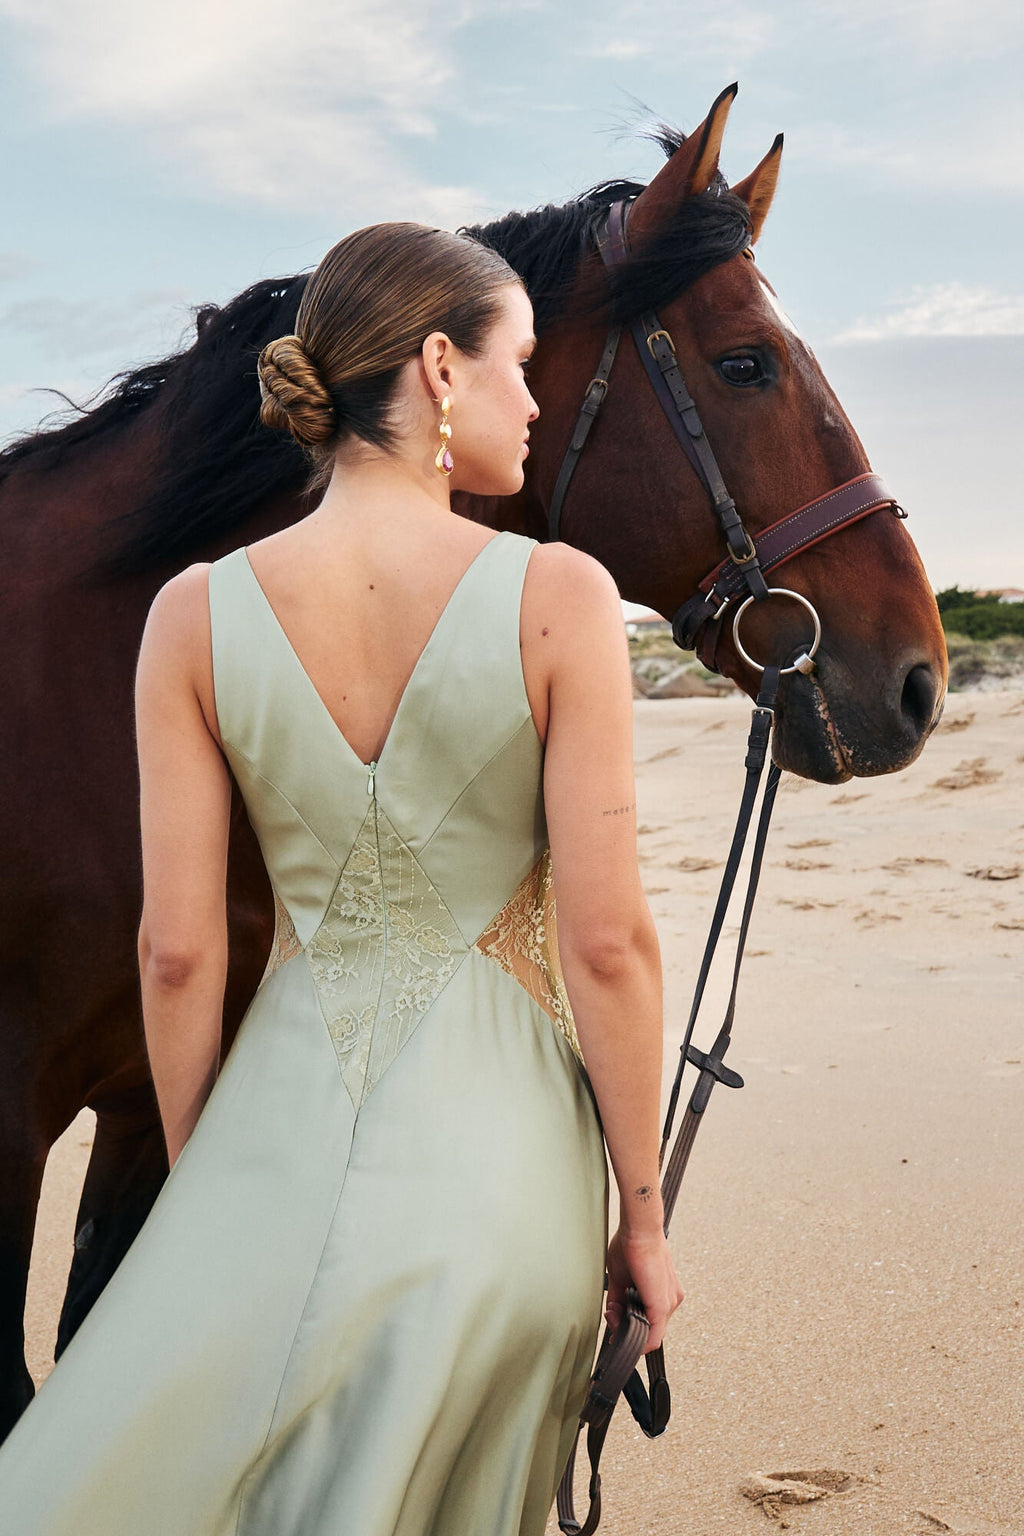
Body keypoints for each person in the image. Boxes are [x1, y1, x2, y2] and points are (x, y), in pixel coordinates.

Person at [0, 221, 682, 1534]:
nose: (533, 401)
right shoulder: (562, 595)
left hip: (271, 1157)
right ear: (438, 368)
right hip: (504, 1201)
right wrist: (642, 1221)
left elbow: (179, 954)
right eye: (518, 364)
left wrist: (206, 1187)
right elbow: (609, 947)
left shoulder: (195, 612)